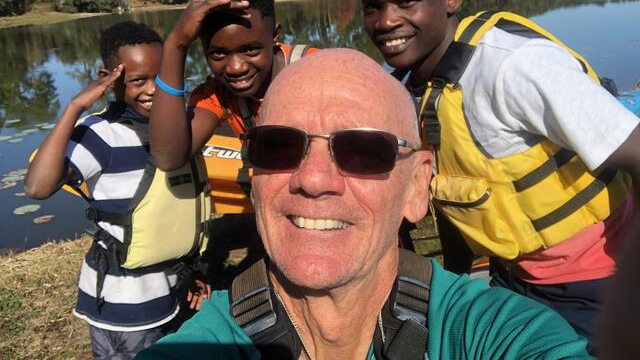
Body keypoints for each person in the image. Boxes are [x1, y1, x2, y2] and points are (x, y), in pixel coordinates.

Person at [137, 49, 590, 359]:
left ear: (417, 185)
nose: (313, 180)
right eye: (278, 146)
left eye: (363, 151)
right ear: (253, 178)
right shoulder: (203, 345)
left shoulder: (493, 332)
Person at [360, 0, 640, 353]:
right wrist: (451, 296)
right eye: (373, 7)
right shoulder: (413, 89)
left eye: (405, 2)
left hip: (598, 281)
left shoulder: (513, 68)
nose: (386, 22)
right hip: (514, 278)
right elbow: (457, 201)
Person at [24, 21, 210, 359]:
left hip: (172, 289)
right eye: (138, 80)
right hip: (124, 309)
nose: (153, 90)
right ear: (109, 78)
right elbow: (37, 187)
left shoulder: (177, 131)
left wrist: (191, 270)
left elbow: (173, 215)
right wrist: (75, 107)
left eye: (162, 77)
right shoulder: (101, 136)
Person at [149, 0, 317, 180]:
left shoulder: (316, 69)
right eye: (218, 53)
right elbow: (168, 158)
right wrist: (175, 45)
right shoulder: (219, 95)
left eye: (251, 50)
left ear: (274, 35)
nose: (236, 68)